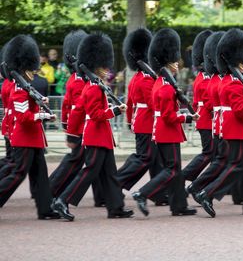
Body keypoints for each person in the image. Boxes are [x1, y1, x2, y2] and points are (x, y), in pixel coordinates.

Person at [52, 32, 133, 221]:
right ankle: (63, 200)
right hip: (95, 136)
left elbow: (79, 110)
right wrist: (116, 111)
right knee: (89, 171)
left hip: (102, 136)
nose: (108, 69)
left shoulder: (95, 84)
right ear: (96, 67)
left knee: (110, 174)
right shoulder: (94, 87)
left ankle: (116, 207)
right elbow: (95, 115)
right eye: (104, 67)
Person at [195, 28, 243, 217]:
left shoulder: (229, 80)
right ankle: (207, 193)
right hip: (237, 129)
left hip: (235, 129)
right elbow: (240, 110)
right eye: (242, 62)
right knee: (237, 165)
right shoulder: (234, 83)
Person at [132, 28, 197, 217]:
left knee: (174, 169)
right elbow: (169, 115)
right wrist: (188, 117)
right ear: (168, 63)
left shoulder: (161, 83)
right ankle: (142, 193)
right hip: (167, 132)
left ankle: (179, 206)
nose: (177, 64)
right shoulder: (166, 87)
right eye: (174, 62)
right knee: (172, 169)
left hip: (162, 131)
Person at [0, 35, 60, 220]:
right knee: (18, 173)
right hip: (24, 138)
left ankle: (46, 209)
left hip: (33, 138)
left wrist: (40, 102)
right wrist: (44, 115)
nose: (35, 72)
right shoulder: (18, 89)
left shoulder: (25, 87)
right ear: (24, 69)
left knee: (40, 175)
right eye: (32, 70)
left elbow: (29, 108)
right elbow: (24, 118)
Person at [48, 30, 104, 207]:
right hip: (82, 127)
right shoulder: (79, 81)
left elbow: (66, 106)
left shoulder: (76, 78)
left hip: (82, 126)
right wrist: (71, 132)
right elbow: (78, 108)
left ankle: (102, 196)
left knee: (95, 162)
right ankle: (51, 190)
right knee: (77, 161)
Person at [115, 28, 167, 206]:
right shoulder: (146, 79)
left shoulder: (137, 77)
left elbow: (130, 104)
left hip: (142, 121)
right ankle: (116, 183)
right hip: (147, 123)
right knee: (145, 158)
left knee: (156, 159)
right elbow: (152, 104)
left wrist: (130, 121)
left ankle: (159, 193)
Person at [182, 30, 216, 182]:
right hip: (207, 119)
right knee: (209, 152)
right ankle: (184, 176)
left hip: (205, 118)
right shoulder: (205, 78)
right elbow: (209, 102)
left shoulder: (202, 76)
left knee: (215, 154)